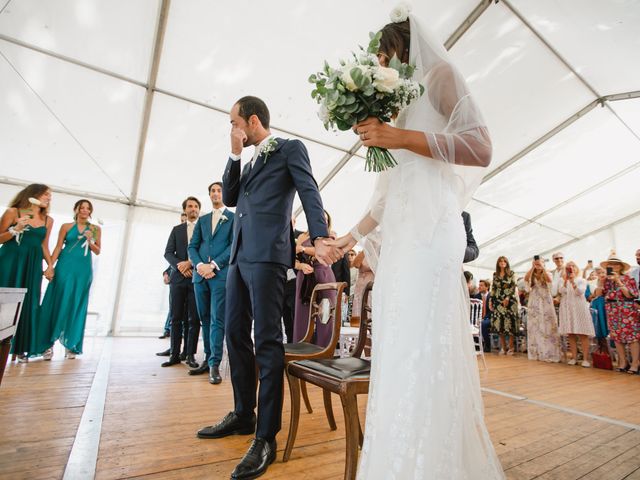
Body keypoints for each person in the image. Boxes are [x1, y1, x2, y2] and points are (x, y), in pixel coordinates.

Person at [326, 8, 504, 478]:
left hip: (432, 235)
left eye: (384, 57)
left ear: (405, 50)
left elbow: (481, 146)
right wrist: (345, 240)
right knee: (397, 346)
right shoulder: (392, 110)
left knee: (426, 343)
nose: (380, 67)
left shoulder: (441, 76)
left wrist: (399, 136)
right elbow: (385, 196)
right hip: (401, 240)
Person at [197, 96, 341, 480]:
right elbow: (229, 198)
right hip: (239, 259)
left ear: (252, 121)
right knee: (233, 334)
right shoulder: (247, 162)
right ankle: (244, 414)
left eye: (234, 123)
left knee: (266, 341)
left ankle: (266, 438)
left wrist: (321, 234)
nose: (232, 129)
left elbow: (309, 191)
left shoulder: (289, 149)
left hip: (269, 256)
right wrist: (233, 156)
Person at [34, 199, 101, 359]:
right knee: (56, 302)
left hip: (83, 270)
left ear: (90, 212)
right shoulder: (66, 227)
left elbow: (97, 250)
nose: (85, 210)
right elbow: (58, 246)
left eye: (88, 208)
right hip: (65, 266)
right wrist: (50, 265)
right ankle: (47, 345)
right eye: (82, 207)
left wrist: (90, 239)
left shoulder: (95, 228)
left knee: (76, 305)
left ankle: (72, 344)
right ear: (76, 209)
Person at [0, 184, 54, 363]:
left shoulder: (48, 220)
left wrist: (50, 265)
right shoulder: (13, 212)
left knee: (29, 303)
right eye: (46, 194)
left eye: (50, 195)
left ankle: (20, 347)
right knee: (5, 303)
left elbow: (44, 245)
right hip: (11, 261)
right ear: (34, 194)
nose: (49, 197)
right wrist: (15, 230)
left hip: (32, 264)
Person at [188, 183, 234, 384]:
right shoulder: (203, 219)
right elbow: (192, 246)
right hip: (200, 276)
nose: (215, 194)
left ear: (224, 194)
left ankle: (215, 363)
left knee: (217, 319)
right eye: (212, 191)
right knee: (204, 318)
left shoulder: (233, 218)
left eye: (219, 191)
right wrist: (199, 265)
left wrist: (213, 265)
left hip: (220, 275)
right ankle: (207, 358)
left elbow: (234, 245)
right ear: (209, 195)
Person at [161, 197, 202, 369]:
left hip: (196, 278)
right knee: (176, 318)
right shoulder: (176, 230)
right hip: (178, 279)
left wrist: (191, 264)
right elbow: (168, 253)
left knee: (194, 319)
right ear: (185, 210)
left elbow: (206, 251)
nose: (193, 209)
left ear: (199, 209)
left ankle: (190, 355)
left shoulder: (205, 228)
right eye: (189, 206)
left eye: (195, 206)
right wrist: (180, 266)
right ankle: (174, 355)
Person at [293, 210, 338, 347]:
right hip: (305, 276)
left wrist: (303, 249)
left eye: (325, 219)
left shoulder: (330, 235)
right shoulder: (302, 237)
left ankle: (323, 349)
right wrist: (300, 265)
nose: (322, 221)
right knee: (302, 313)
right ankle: (302, 348)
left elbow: (325, 252)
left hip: (324, 275)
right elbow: (292, 257)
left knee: (325, 313)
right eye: (319, 218)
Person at [596, 253, 639, 373]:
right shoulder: (606, 281)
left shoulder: (628, 279)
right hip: (612, 309)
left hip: (627, 309)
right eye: (610, 264)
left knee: (632, 338)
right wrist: (600, 282)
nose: (612, 266)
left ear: (620, 267)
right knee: (616, 337)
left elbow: (630, 295)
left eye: (615, 264)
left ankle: (635, 364)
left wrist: (618, 281)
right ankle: (623, 362)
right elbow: (599, 295)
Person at [523, 258, 561, 363]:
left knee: (548, 326)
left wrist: (542, 267)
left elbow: (550, 283)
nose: (538, 264)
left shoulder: (548, 273)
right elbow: (526, 281)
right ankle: (537, 352)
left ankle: (549, 352)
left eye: (540, 262)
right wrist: (532, 267)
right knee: (535, 326)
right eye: (536, 262)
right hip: (534, 301)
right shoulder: (531, 274)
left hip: (545, 301)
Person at [558, 261, 595, 367]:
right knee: (571, 333)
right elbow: (561, 291)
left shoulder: (582, 280)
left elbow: (579, 292)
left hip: (579, 307)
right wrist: (566, 281)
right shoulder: (562, 280)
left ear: (577, 268)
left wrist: (573, 281)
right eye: (568, 267)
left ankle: (585, 359)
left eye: (573, 266)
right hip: (567, 307)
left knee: (583, 333)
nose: (571, 268)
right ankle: (574, 357)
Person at [490, 256, 520, 356]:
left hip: (510, 301)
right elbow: (493, 288)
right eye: (500, 261)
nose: (502, 263)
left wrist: (507, 298)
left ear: (507, 263)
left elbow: (513, 286)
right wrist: (491, 299)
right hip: (498, 301)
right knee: (499, 324)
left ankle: (511, 347)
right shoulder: (495, 274)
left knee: (510, 323)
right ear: (498, 263)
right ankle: (503, 347)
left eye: (504, 261)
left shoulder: (511, 273)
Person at [282, 217, 303, 343]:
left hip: (295, 282)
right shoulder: (276, 235)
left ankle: (298, 343)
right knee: (286, 317)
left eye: (291, 220)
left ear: (295, 222)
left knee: (295, 314)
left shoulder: (300, 236)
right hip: (281, 282)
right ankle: (289, 344)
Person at [472, 279, 492, 353]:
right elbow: (474, 309)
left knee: (483, 324)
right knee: (473, 322)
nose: (479, 287)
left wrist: (484, 318)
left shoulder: (491, 296)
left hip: (489, 318)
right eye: (479, 285)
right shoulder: (476, 296)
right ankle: (477, 345)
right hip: (478, 317)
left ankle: (487, 345)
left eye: (481, 285)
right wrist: (476, 318)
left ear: (487, 287)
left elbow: (491, 311)